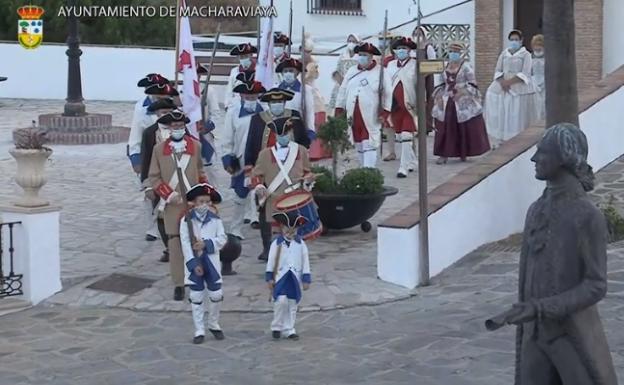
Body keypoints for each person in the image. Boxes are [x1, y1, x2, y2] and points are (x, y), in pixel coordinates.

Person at [488, 123, 618, 385]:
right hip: (534, 338)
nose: (535, 159)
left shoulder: (586, 216)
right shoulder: (535, 210)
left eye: (543, 152)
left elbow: (596, 285)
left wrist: (541, 307)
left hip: (569, 337)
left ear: (564, 157)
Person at [148, 110, 208, 301]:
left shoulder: (196, 146)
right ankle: (179, 284)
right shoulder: (159, 150)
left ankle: (197, 279)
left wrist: (204, 196)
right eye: (174, 127)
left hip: (193, 203)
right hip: (172, 205)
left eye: (181, 126)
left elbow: (200, 171)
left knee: (196, 241)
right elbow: (154, 178)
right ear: (169, 128)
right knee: (175, 244)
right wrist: (169, 194)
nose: (178, 129)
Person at [247, 97, 314, 261]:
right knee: (271, 226)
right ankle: (270, 253)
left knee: (294, 228)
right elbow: (256, 175)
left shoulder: (300, 151)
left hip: (294, 197)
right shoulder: (265, 154)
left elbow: (307, 172)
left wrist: (308, 181)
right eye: (280, 134)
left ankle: (295, 253)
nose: (284, 136)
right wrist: (258, 187)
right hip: (273, 197)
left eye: (287, 133)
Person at [129, 76, 177, 242]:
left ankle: (169, 225)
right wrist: (136, 160)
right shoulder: (142, 110)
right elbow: (135, 136)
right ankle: (151, 228)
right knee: (151, 196)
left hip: (171, 160)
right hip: (149, 159)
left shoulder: (175, 111)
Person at [180, 183, 227, 344]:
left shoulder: (215, 220)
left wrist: (206, 243)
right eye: (201, 201)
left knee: (216, 295)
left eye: (207, 202)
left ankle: (213, 323)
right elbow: (185, 243)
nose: (204, 205)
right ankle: (199, 329)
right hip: (195, 261)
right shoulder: (186, 221)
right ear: (193, 202)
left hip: (211, 261)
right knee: (196, 296)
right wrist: (193, 263)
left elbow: (222, 239)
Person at [221, 74, 266, 239]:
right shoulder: (233, 113)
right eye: (247, 96)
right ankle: (235, 228)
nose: (250, 99)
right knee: (240, 195)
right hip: (241, 159)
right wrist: (227, 158)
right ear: (241, 96)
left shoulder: (265, 113)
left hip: (261, 159)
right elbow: (227, 139)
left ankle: (264, 226)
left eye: (253, 96)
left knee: (262, 193)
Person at [432, 42, 490, 164]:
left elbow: (473, 84)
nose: (453, 54)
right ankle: (443, 154)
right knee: (445, 125)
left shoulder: (466, 67)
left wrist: (462, 92)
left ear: (460, 53)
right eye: (452, 51)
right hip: (447, 98)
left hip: (462, 99)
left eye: (456, 52)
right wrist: (438, 97)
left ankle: (463, 152)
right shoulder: (444, 67)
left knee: (463, 126)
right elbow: (440, 84)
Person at [484, 29, 539, 148]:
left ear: (521, 40)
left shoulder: (526, 55)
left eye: (516, 39)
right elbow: (498, 70)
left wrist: (510, 82)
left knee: (516, 114)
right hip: (503, 87)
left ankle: (517, 140)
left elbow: (526, 73)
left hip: (518, 86)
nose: (514, 42)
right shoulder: (504, 53)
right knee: (502, 112)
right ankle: (501, 139)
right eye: (512, 39)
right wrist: (502, 82)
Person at [335, 42, 383, 169]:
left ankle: (369, 170)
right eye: (360, 54)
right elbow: (343, 90)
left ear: (371, 56)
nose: (361, 57)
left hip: (370, 113)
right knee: (358, 142)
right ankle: (363, 169)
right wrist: (339, 108)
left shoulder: (380, 72)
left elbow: (387, 93)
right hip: (353, 113)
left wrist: (385, 111)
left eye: (365, 55)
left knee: (369, 142)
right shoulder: (352, 71)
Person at [265, 210, 311, 341]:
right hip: (281, 277)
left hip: (294, 277)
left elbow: (305, 261)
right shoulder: (277, 244)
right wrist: (269, 277)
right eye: (287, 228)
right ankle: (276, 326)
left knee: (292, 303)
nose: (290, 232)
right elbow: (271, 261)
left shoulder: (301, 244)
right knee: (280, 301)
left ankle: (289, 329)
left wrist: (306, 277)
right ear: (282, 227)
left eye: (293, 229)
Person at [141, 97, 177, 262]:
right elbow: (145, 160)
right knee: (161, 214)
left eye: (169, 112)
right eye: (163, 112)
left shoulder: (180, 130)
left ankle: (178, 244)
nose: (167, 115)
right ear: (156, 113)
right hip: (159, 180)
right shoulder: (149, 133)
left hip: (179, 178)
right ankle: (169, 248)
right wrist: (147, 185)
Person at [382, 37, 418, 178]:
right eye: (399, 49)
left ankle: (403, 167)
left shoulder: (415, 65)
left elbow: (421, 85)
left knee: (406, 135)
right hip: (394, 106)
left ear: (409, 50)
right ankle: (412, 161)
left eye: (405, 48)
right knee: (400, 136)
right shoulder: (390, 65)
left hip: (410, 106)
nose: (402, 51)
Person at [412, 26, 437, 134]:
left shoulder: (428, 48)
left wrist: (424, 75)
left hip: (427, 78)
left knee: (427, 102)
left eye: (420, 34)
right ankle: (416, 126)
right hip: (414, 78)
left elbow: (433, 64)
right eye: (415, 34)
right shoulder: (412, 49)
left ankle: (426, 127)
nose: (417, 37)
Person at [305, 61, 331, 161]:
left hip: (318, 104)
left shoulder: (313, 82)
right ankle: (314, 152)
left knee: (318, 127)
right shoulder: (306, 81)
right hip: (313, 104)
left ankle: (318, 152)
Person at [377, 32, 398, 162]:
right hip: (390, 96)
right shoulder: (386, 61)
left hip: (405, 97)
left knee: (407, 127)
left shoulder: (411, 62)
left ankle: (411, 152)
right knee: (389, 125)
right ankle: (391, 151)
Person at [224, 43, 257, 112]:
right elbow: (229, 90)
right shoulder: (234, 71)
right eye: (241, 57)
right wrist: (227, 105)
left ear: (251, 55)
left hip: (254, 104)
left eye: (245, 56)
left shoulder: (258, 70)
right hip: (237, 105)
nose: (243, 59)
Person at [530, 34, 545, 121]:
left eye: (540, 45)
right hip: (534, 83)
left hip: (545, 84)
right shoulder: (529, 57)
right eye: (536, 45)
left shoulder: (549, 58)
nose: (538, 48)